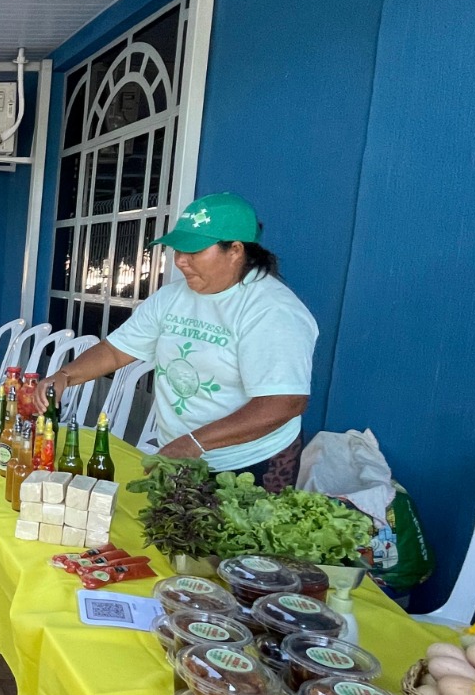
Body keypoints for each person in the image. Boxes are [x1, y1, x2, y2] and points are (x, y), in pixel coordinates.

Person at [47, 192, 317, 491]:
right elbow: (114, 351)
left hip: (249, 464)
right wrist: (64, 377)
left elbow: (284, 402)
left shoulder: (271, 311)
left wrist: (195, 442)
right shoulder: (172, 298)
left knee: (230, 538)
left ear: (236, 250)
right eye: (177, 251)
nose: (181, 262)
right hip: (183, 454)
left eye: (194, 251)